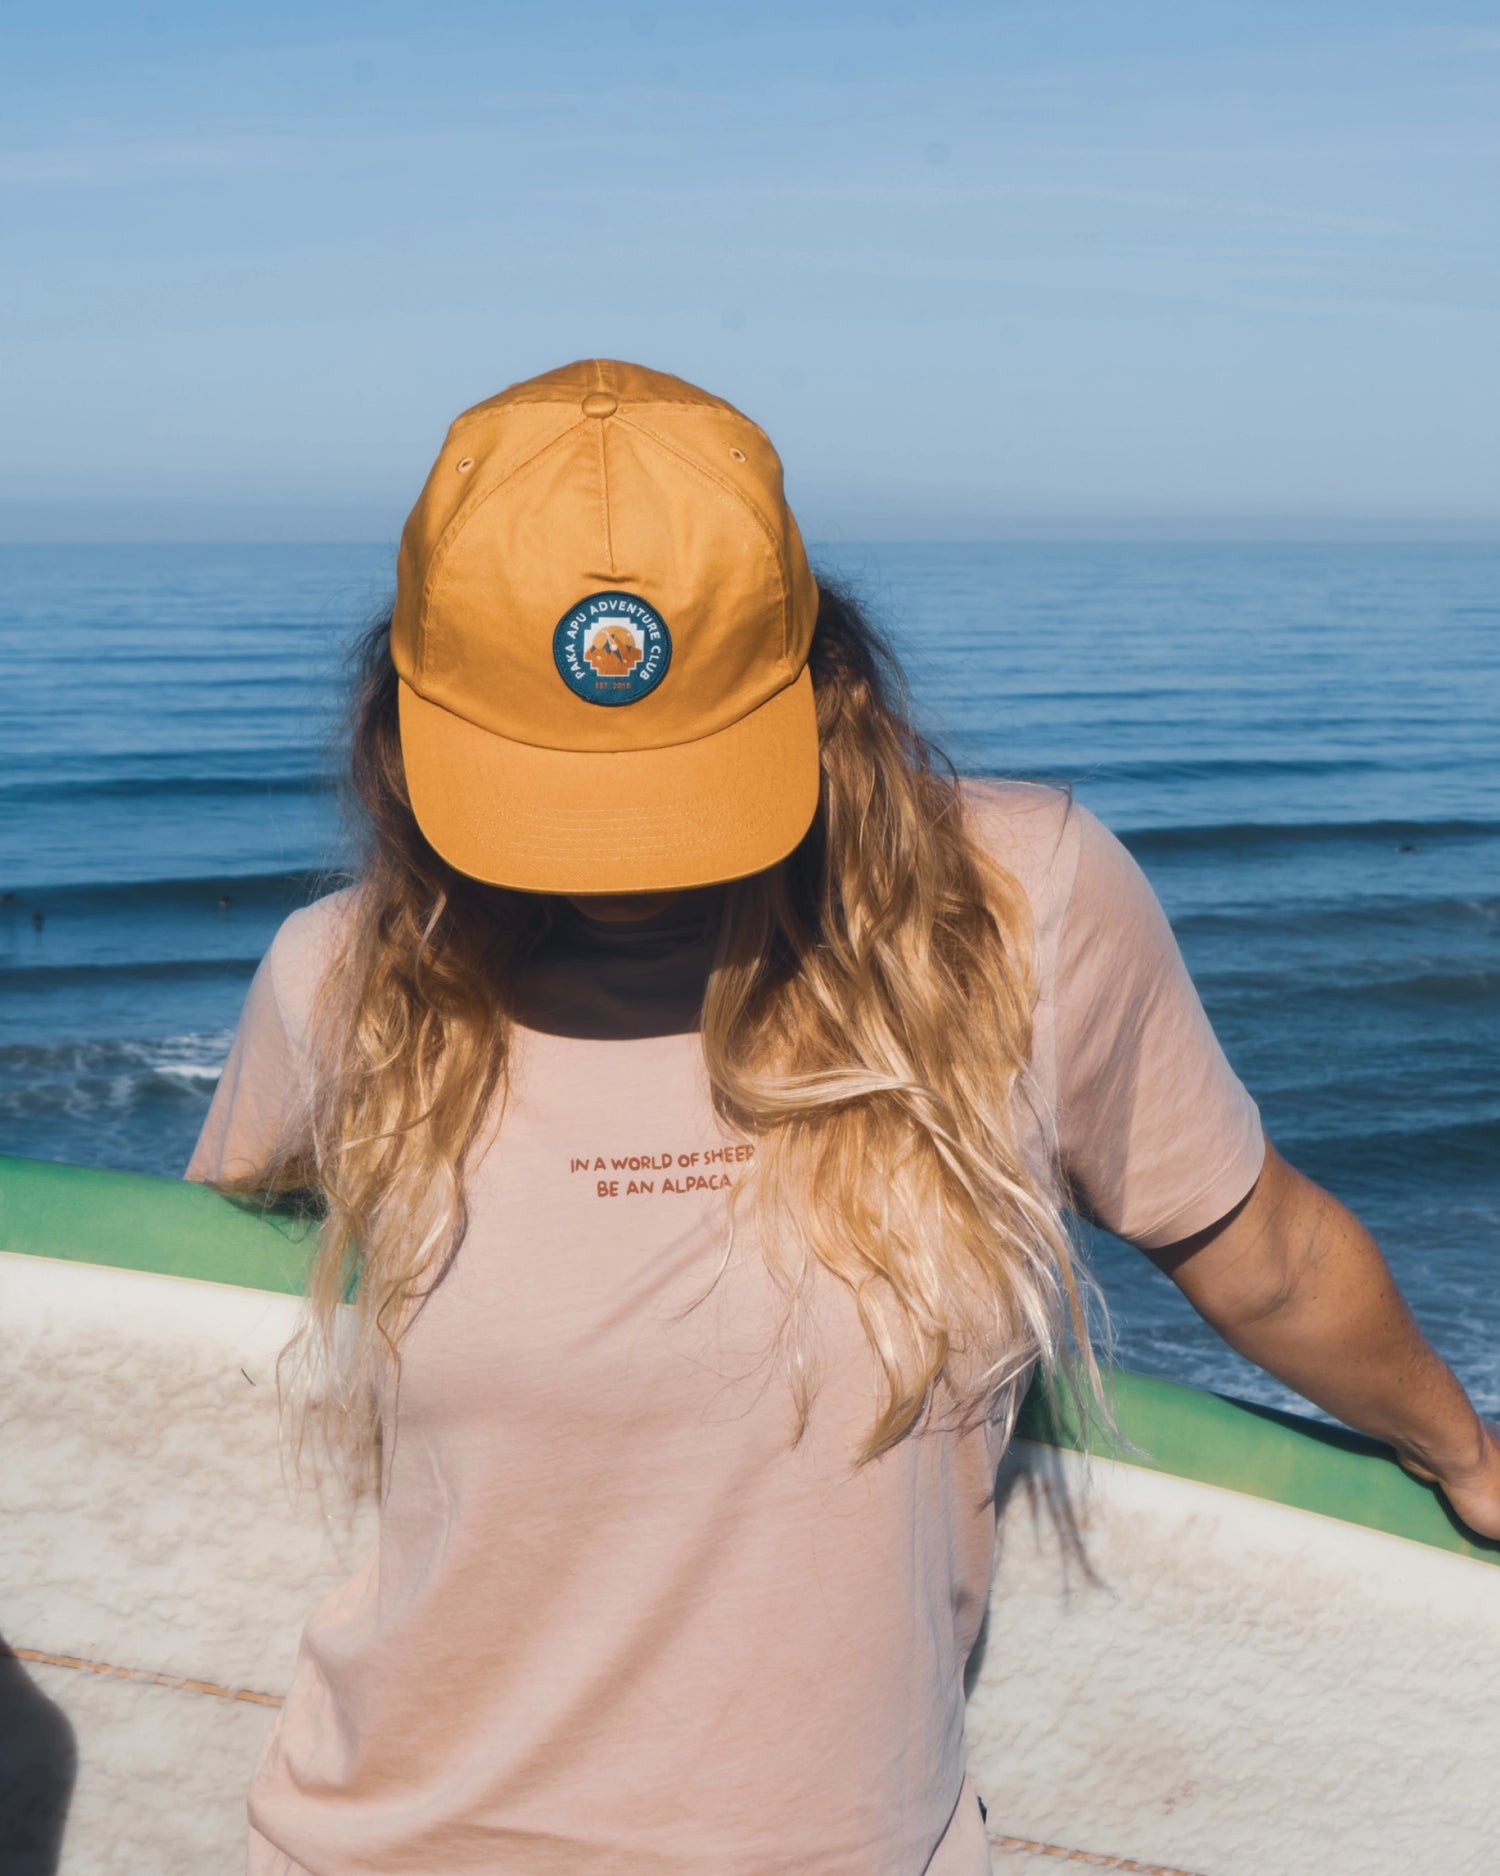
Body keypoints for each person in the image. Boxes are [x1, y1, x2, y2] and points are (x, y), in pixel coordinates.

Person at [186, 359, 1500, 1876]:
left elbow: (1256, 1249)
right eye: (556, 797)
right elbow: (189, 1334)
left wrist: (1462, 1446)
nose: (622, 869)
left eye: (674, 790)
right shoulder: (348, 979)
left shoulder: (1018, 910)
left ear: (823, 685)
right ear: (404, 722)